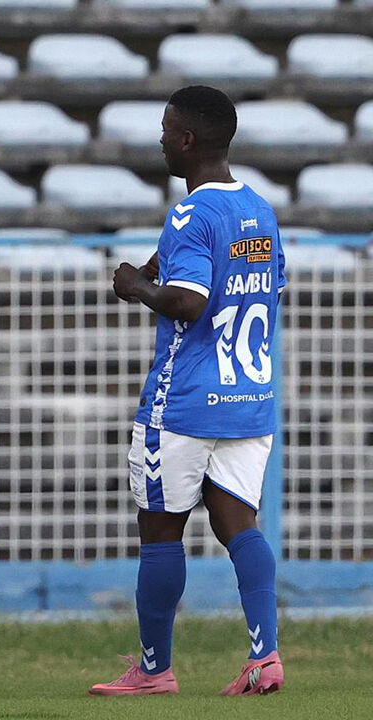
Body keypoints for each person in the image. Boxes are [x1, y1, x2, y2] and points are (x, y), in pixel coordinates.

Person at [90, 85, 286, 697]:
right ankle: (266, 657)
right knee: (240, 528)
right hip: (248, 398)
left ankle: (154, 670)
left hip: (183, 400)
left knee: (160, 531)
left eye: (166, 129)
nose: (160, 139)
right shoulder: (259, 209)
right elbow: (255, 277)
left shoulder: (190, 212)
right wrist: (161, 261)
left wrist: (136, 287)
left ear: (187, 140)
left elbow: (190, 301)